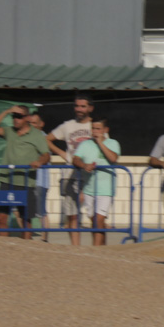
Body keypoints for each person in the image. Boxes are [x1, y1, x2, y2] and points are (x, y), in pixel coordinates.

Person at [0, 105, 50, 240]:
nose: (15, 119)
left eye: (19, 116)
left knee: (26, 219)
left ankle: (25, 250)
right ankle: (3, 248)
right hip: (7, 180)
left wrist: (39, 161)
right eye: (13, 116)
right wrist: (6, 111)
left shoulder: (37, 135)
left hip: (26, 182)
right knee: (1, 217)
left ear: (27, 118)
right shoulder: (9, 131)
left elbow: (46, 155)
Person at [47, 95, 96, 246]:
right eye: (77, 106)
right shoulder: (67, 126)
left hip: (90, 175)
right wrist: (63, 154)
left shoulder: (95, 126)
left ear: (90, 108)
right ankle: (76, 249)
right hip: (70, 174)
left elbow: (104, 146)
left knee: (94, 216)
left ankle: (99, 249)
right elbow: (47, 139)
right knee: (72, 215)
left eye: (83, 106)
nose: (79, 109)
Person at [73, 117, 120, 246]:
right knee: (95, 223)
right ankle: (102, 250)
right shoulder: (85, 144)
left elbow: (113, 158)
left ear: (105, 130)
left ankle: (96, 251)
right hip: (89, 188)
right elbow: (75, 159)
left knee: (99, 221)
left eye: (98, 129)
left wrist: (100, 143)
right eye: (93, 128)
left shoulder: (112, 143)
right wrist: (84, 165)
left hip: (105, 189)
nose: (95, 131)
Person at [29, 112, 51, 241]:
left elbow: (45, 156)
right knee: (19, 209)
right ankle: (27, 236)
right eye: (29, 122)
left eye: (34, 123)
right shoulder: (27, 137)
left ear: (41, 124)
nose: (31, 125)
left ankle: (44, 239)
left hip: (40, 181)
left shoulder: (43, 138)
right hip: (28, 180)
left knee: (41, 211)